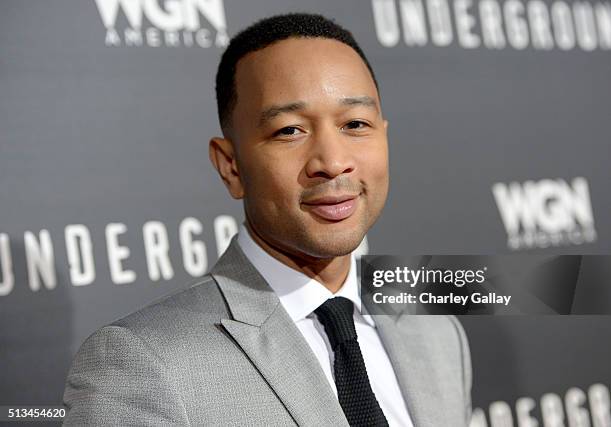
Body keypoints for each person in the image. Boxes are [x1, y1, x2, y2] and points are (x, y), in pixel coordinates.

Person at [62, 13, 472, 426]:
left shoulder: (434, 330)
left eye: (355, 124)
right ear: (231, 166)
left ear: (384, 135)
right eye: (290, 130)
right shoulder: (143, 364)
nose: (332, 162)